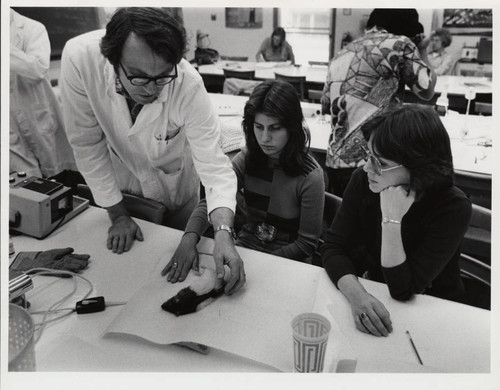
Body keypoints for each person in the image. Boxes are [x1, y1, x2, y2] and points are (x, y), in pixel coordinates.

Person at [59, 7, 244, 295]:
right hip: (123, 185)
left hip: (177, 188)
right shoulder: (80, 60)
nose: (151, 89)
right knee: (128, 278)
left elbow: (215, 167)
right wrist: (118, 214)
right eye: (139, 77)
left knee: (171, 282)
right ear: (113, 59)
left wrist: (223, 233)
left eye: (162, 77)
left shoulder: (188, 85)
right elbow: (86, 143)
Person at [320, 104, 471, 337]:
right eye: (368, 155)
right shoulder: (364, 181)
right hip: (375, 294)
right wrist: (357, 296)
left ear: (419, 167)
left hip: (437, 312)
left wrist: (391, 220)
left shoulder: (452, 207)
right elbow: (333, 247)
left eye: (381, 163)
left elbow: (403, 290)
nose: (367, 168)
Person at [162, 80, 325, 283]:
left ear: (292, 128)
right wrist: (189, 238)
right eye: (259, 127)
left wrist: (258, 263)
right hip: (246, 248)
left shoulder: (311, 176)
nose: (265, 138)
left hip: (289, 263)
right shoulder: (247, 158)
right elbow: (214, 200)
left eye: (275, 128)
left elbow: (306, 245)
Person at [321, 8, 436, 197]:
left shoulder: (341, 53)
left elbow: (327, 106)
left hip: (336, 161)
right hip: (375, 164)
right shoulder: (401, 43)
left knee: (346, 221)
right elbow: (427, 90)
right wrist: (421, 48)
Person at [10, 8, 77, 179]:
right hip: (9, 125)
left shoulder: (32, 28)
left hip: (37, 116)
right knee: (25, 183)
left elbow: (37, 70)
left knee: (58, 177)